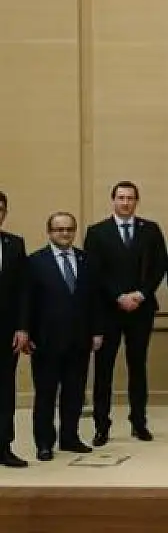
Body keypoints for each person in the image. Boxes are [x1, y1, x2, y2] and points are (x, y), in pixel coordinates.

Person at [85, 181, 167, 446]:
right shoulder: (97, 232)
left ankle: (139, 422)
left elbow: (159, 266)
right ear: (113, 200)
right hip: (108, 311)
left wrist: (141, 294)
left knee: (138, 367)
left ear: (136, 201)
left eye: (130, 198)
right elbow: (94, 271)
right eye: (121, 198)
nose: (125, 202)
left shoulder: (150, 230)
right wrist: (118, 296)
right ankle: (101, 426)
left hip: (141, 309)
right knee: (104, 370)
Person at [27, 212, 102, 461]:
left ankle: (70, 437)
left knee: (74, 392)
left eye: (69, 229)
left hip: (79, 339)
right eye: (59, 230)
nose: (65, 234)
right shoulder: (35, 262)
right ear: (49, 232)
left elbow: (94, 299)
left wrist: (97, 331)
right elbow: (27, 301)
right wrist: (27, 332)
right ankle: (44, 443)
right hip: (46, 340)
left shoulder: (85, 259)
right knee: (46, 394)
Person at [0, 191, 29, 467]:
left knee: (5, 391)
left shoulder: (14, 244)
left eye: (0, 209)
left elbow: (23, 290)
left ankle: (3, 446)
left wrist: (22, 327)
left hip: (6, 332)